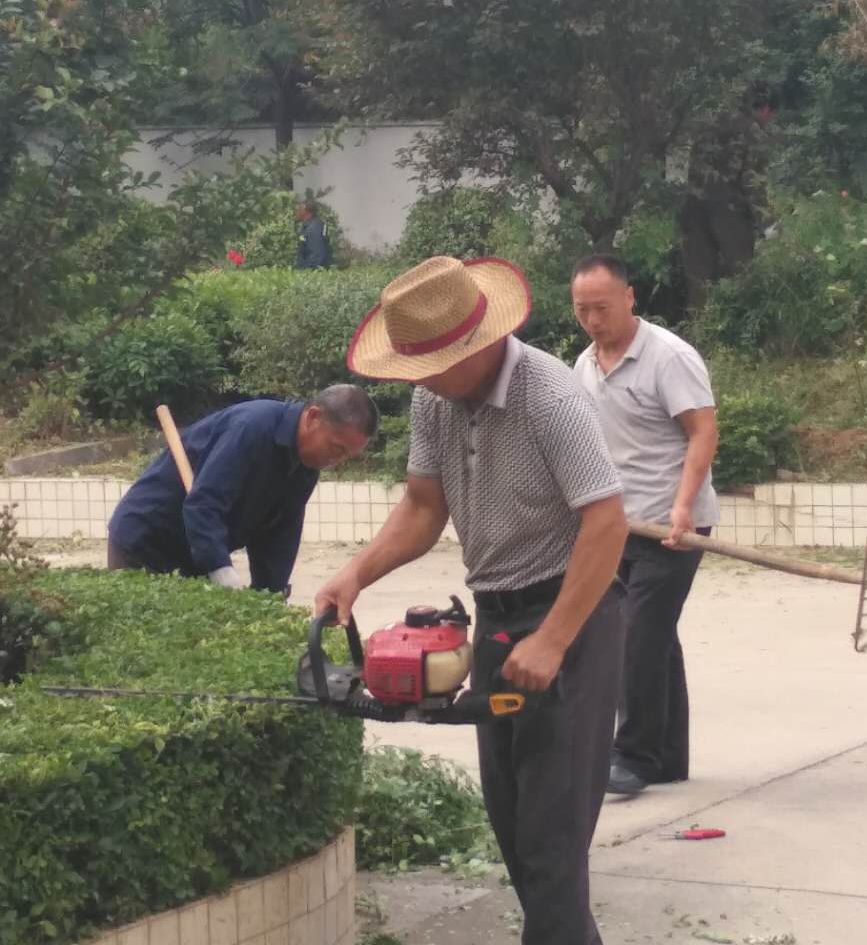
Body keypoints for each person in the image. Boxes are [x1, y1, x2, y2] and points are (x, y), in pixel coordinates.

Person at [315, 255, 628, 945]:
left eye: (429, 364)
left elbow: (607, 523)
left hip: (571, 616)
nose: (418, 379)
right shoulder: (435, 400)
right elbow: (424, 506)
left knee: (552, 840)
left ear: (477, 345)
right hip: (496, 615)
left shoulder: (550, 398)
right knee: (515, 825)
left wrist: (553, 639)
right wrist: (356, 573)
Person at [571, 254, 719, 797]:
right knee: (654, 637)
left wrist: (683, 506)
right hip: (620, 525)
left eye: (602, 308)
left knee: (635, 637)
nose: (593, 320)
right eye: (582, 310)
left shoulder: (668, 357)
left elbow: (703, 431)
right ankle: (667, 757)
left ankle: (631, 756)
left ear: (629, 297)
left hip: (673, 527)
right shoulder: (585, 365)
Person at [108, 387, 378, 593]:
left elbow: (280, 533)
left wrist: (269, 594)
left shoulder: (307, 464)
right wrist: (221, 570)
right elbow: (203, 504)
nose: (336, 461)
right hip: (148, 540)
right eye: (336, 448)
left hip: (195, 550)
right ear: (313, 417)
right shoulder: (251, 427)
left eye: (347, 456)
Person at [294, 199, 332, 269]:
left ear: (306, 211)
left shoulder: (314, 229)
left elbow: (317, 256)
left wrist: (305, 270)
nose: (296, 211)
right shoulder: (308, 226)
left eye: (299, 209)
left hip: (312, 273)